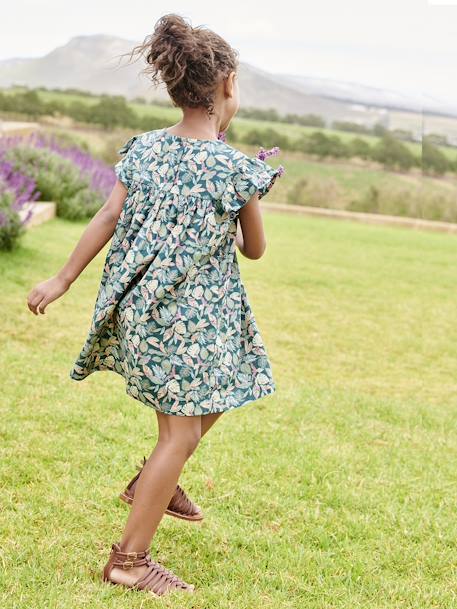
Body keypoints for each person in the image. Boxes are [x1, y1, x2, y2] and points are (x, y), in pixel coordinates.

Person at [26, 12, 284, 598]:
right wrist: (250, 192)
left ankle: (152, 483)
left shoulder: (143, 150)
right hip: (188, 322)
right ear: (226, 89)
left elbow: (108, 215)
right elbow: (256, 250)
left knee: (232, 381)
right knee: (181, 436)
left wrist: (63, 279)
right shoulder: (236, 168)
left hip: (148, 316)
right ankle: (129, 560)